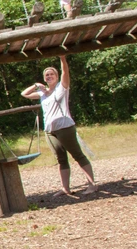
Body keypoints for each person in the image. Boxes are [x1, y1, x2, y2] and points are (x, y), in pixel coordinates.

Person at [21, 54, 96, 197]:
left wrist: (62, 59)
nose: (49, 76)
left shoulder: (62, 88)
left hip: (65, 127)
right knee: (61, 159)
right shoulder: (42, 93)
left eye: (52, 74)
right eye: (47, 75)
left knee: (77, 155)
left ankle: (92, 185)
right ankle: (65, 188)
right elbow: (24, 94)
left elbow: (65, 73)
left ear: (56, 76)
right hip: (50, 131)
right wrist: (36, 85)